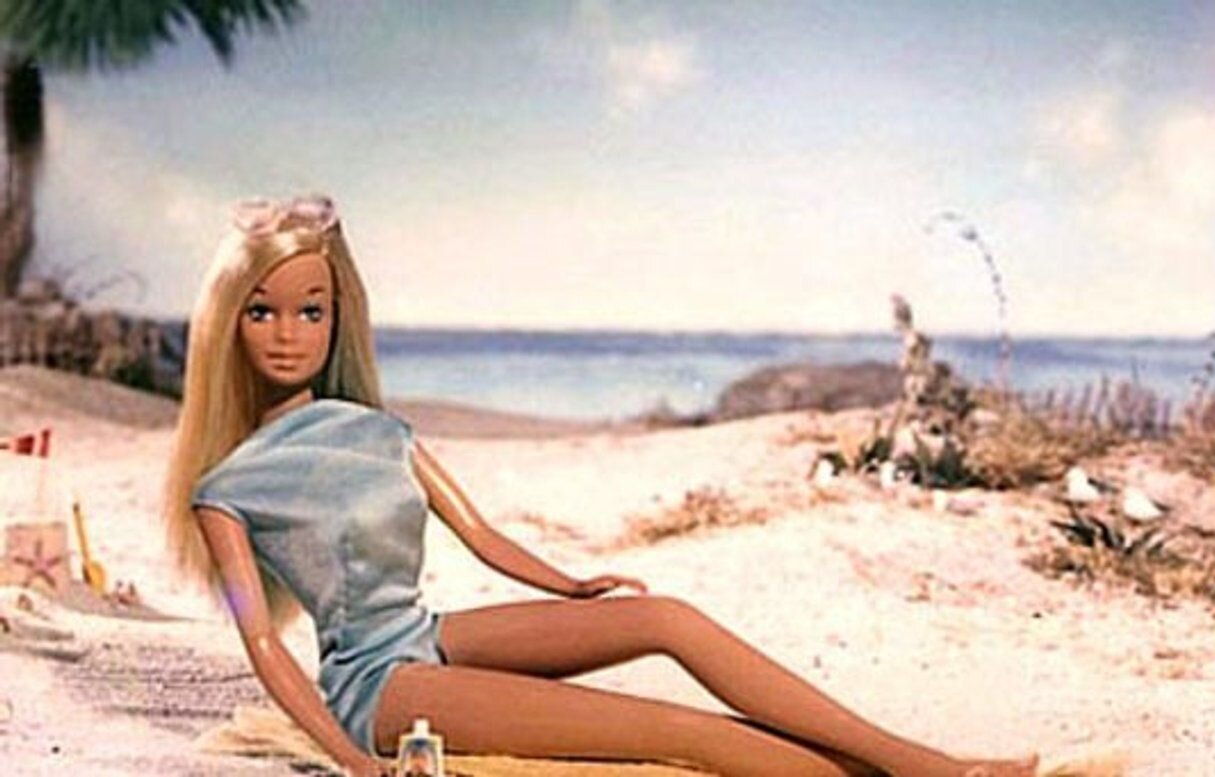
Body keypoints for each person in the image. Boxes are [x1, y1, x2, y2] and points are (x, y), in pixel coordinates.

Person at [161, 195, 1039, 777]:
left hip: (430, 636)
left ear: (337, 316)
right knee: (678, 733)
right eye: (261, 310)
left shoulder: (380, 432)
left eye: (310, 309)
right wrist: (354, 761)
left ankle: (906, 758)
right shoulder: (228, 487)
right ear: (227, 324)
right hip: (378, 687)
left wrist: (573, 586)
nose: (287, 333)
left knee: (664, 618)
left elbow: (482, 535)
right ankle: (922, 772)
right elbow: (265, 644)